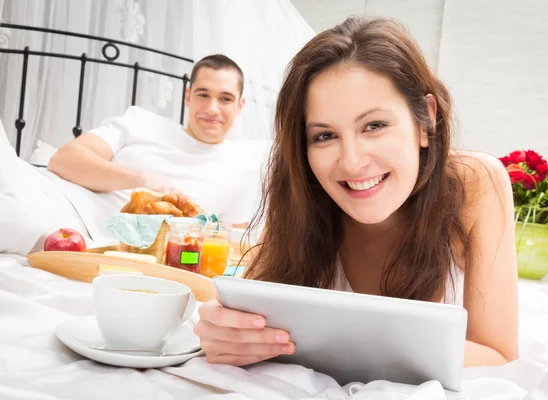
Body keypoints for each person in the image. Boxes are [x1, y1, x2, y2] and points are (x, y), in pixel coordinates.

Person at [194, 16, 520, 368]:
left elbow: (498, 354)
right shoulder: (301, 190)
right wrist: (229, 333)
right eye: (324, 136)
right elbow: (256, 310)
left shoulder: (474, 183)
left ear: (425, 120)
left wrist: (335, 346)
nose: (351, 162)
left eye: (374, 126)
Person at [48, 54, 265, 227]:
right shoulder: (139, 122)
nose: (212, 109)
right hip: (72, 220)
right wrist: (142, 181)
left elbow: (232, 247)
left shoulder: (243, 168)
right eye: (203, 94)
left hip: (152, 258)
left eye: (225, 98)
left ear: (240, 106)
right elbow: (62, 160)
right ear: (188, 96)